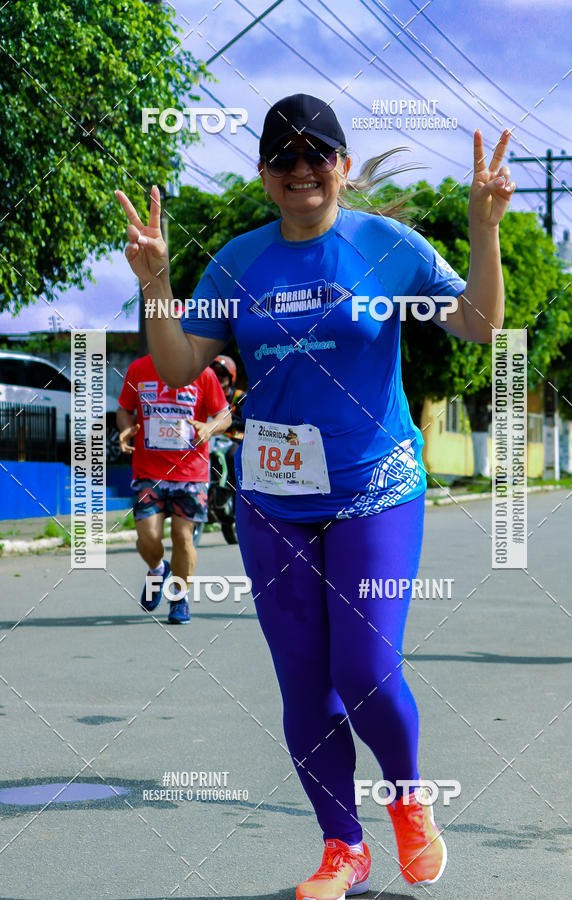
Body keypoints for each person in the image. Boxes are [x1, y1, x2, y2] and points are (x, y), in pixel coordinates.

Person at [116, 93, 515, 896]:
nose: (301, 169)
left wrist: (484, 229)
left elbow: (479, 324)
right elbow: (181, 367)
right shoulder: (238, 262)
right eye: (283, 157)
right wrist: (156, 282)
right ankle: (344, 848)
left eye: (316, 154)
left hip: (375, 488)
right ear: (265, 174)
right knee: (304, 682)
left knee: (364, 667)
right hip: (273, 499)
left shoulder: (387, 247)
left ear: (341, 164)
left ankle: (408, 799)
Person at [117, 354, 231, 624]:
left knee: (182, 537)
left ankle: (180, 597)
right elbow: (124, 409)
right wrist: (126, 428)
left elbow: (224, 414)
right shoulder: (138, 369)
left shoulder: (202, 373)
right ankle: (158, 570)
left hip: (191, 472)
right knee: (148, 538)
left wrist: (210, 427)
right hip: (148, 471)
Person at [210, 354, 246, 489]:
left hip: (233, 439)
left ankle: (235, 490)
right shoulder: (206, 396)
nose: (218, 378)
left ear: (231, 377)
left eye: (223, 374)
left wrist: (227, 422)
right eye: (215, 374)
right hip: (212, 440)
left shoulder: (240, 397)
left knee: (233, 456)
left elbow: (247, 421)